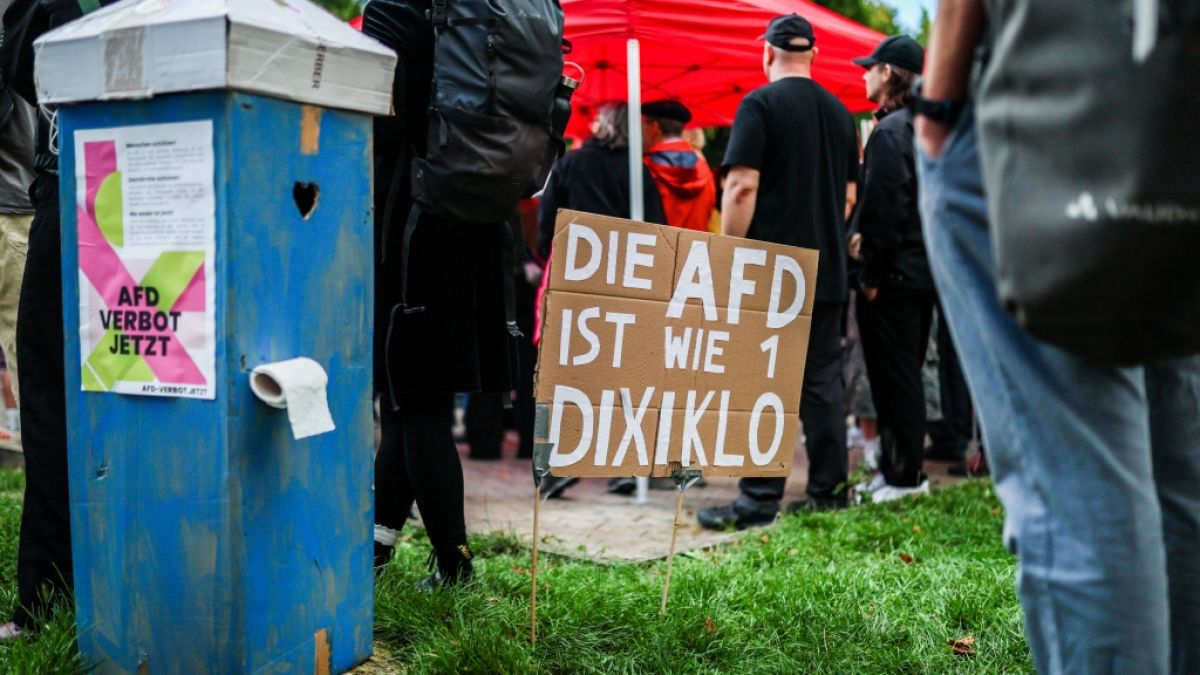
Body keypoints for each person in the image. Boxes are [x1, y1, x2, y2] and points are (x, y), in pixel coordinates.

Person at [916, 1, 1199, 671]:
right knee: (1176, 470)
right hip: (1172, 86)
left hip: (1042, 83)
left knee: (1078, 489)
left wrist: (940, 93)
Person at [365, 0, 523, 586]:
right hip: (483, 221)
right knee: (408, 400)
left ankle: (456, 570)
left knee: (416, 400)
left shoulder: (395, 10)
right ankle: (375, 551)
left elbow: (378, 118)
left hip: (414, 221)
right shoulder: (487, 10)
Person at [697, 13, 858, 529]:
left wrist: (727, 255)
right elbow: (850, 195)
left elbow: (741, 186)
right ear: (814, 54)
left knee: (760, 382)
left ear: (765, 53)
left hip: (770, 272)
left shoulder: (760, 104)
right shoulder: (840, 113)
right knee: (822, 383)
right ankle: (829, 492)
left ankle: (757, 501)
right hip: (827, 269)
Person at [0, 0, 118, 639]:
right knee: (145, 386)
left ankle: (46, 601)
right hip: (167, 182)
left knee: (49, 402)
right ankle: (137, 577)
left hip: (73, 183)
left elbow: (24, 69)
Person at [534, 101, 666, 499]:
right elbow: (659, 229)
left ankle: (554, 465)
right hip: (627, 280)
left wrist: (548, 255)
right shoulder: (639, 173)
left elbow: (546, 223)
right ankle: (625, 467)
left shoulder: (570, 164)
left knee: (564, 371)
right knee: (624, 372)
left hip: (576, 275)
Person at [846, 35, 934, 503]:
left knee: (895, 379)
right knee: (906, 375)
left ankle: (904, 478)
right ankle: (901, 473)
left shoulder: (891, 130)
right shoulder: (922, 127)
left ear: (888, 73)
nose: (863, 74)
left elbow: (884, 207)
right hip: (920, 274)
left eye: (869, 67)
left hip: (894, 276)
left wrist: (871, 276)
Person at [641, 99, 716, 233]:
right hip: (694, 251)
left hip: (652, 250)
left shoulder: (643, 169)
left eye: (642, 124)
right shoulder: (705, 170)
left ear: (654, 127)